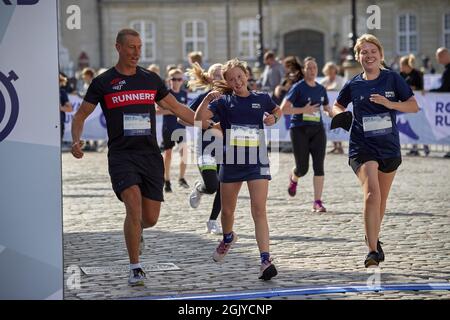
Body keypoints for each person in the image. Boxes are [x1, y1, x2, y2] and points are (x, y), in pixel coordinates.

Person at [71, 28, 195, 286]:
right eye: (131, 47)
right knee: (133, 204)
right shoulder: (103, 82)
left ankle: (136, 231)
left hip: (150, 156)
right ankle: (135, 267)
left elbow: (178, 108)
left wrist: (208, 121)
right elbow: (80, 115)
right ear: (118, 47)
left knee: (148, 219)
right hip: (121, 155)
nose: (137, 52)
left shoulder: (150, 79)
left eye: (139, 47)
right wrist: (76, 140)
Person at [330, 34, 419, 268]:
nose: (368, 56)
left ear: (380, 54)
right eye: (364, 52)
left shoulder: (393, 79)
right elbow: (337, 104)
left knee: (380, 200)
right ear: (358, 57)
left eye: (372, 51)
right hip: (362, 146)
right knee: (371, 194)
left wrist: (390, 104)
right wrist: (338, 114)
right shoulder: (354, 83)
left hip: (388, 147)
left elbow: (413, 105)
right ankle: (372, 251)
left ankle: (373, 236)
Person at [195, 58, 283, 280]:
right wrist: (207, 98)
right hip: (232, 162)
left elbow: (278, 110)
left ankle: (265, 260)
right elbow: (199, 119)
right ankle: (227, 238)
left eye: (240, 76)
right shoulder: (223, 102)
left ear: (246, 74)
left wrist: (274, 117)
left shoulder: (261, 98)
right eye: (232, 79)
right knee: (227, 211)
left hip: (257, 162)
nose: (237, 81)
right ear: (227, 81)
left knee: (259, 210)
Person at [280, 57, 331, 213]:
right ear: (303, 70)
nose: (312, 71)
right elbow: (284, 109)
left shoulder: (321, 89)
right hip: (299, 130)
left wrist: (333, 113)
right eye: (309, 68)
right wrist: (304, 110)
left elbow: (327, 107)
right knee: (303, 168)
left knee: (319, 167)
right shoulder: (298, 88)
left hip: (317, 130)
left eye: (314, 68)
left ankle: (317, 202)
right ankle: (294, 177)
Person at [185, 62, 224, 234]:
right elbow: (182, 118)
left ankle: (212, 221)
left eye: (222, 75)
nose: (220, 78)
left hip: (226, 150)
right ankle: (200, 188)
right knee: (212, 186)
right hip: (206, 149)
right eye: (216, 75)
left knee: (223, 186)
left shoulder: (232, 97)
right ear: (210, 78)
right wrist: (208, 125)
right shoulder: (204, 98)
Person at [157, 68, 190, 192]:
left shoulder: (184, 94)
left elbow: (185, 111)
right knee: (168, 154)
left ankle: (181, 178)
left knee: (185, 154)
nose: (176, 82)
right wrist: (173, 110)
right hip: (168, 128)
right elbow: (157, 111)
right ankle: (167, 180)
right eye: (174, 79)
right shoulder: (165, 94)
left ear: (182, 81)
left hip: (180, 127)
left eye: (179, 79)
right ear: (169, 80)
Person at [399, 54, 427, 156]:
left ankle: (425, 146)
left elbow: (421, 87)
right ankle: (414, 148)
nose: (401, 68)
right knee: (412, 126)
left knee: (419, 126)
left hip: (418, 104)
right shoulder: (401, 75)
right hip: (407, 104)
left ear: (407, 65)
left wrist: (413, 88)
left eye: (402, 65)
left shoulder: (417, 74)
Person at [320, 62, 345, 155]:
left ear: (335, 70)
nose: (330, 71)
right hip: (327, 106)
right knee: (330, 124)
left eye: (332, 69)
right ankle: (335, 146)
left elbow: (338, 88)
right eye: (329, 69)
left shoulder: (340, 79)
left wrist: (328, 89)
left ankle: (340, 146)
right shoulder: (324, 80)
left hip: (338, 105)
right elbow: (320, 89)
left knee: (338, 123)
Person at [59, 74, 73, 142]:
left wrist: (60, 108)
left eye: (60, 81)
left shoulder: (62, 92)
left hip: (59, 123)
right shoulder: (46, 91)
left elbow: (70, 109)